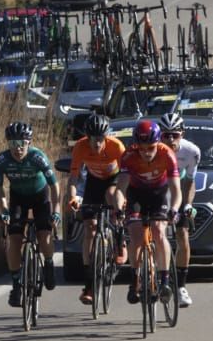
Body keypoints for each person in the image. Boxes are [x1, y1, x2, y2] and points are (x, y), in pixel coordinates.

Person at [0, 122, 61, 307]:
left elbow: (54, 186)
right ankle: (16, 285)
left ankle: (48, 264)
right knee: (14, 240)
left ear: (29, 142)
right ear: (8, 144)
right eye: (13, 144)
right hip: (18, 199)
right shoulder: (2, 160)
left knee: (44, 234)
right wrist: (4, 210)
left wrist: (56, 211)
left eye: (22, 143)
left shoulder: (38, 157)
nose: (18, 148)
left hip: (41, 197)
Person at [116, 118, 182, 304]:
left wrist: (174, 209)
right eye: (141, 148)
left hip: (159, 193)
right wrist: (119, 207)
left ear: (158, 143)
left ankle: (165, 280)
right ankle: (135, 278)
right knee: (136, 236)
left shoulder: (167, 154)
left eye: (150, 148)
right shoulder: (129, 156)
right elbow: (121, 187)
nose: (145, 152)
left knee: (159, 232)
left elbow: (176, 190)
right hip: (136, 193)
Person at [66, 113, 126, 305]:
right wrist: (73, 197)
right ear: (87, 137)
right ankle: (89, 283)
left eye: (100, 140)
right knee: (90, 229)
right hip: (93, 181)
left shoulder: (117, 146)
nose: (97, 144)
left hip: (114, 180)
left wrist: (122, 199)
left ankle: (119, 238)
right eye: (93, 140)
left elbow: (127, 175)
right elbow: (74, 176)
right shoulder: (80, 147)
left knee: (111, 195)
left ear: (106, 137)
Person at [157, 112, 200, 307]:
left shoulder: (192, 152)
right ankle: (158, 276)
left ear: (182, 134)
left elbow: (190, 183)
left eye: (175, 134)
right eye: (166, 135)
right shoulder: (152, 149)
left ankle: (181, 286)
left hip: (179, 190)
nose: (170, 139)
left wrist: (188, 205)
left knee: (183, 233)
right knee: (157, 232)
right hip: (157, 189)